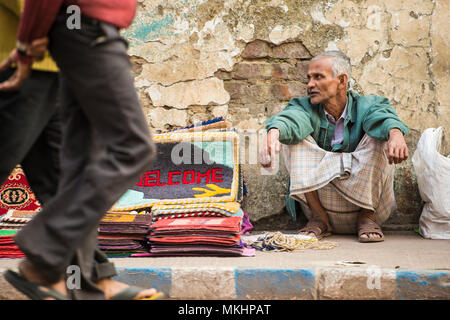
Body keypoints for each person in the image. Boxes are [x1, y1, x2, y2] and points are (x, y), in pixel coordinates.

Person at [0, 0, 162, 300]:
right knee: (131, 148)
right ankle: (45, 255)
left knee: (67, 172)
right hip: (39, 45)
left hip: (55, 52)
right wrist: (29, 36)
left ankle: (83, 280)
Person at [262, 50, 409, 243]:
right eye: (309, 78)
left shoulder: (366, 105)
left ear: (341, 80)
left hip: (368, 210)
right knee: (294, 139)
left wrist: (395, 133)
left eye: (318, 77)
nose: (310, 85)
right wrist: (274, 133)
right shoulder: (305, 107)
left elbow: (382, 117)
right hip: (321, 211)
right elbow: (292, 118)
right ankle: (318, 217)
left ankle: (367, 216)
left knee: (381, 135)